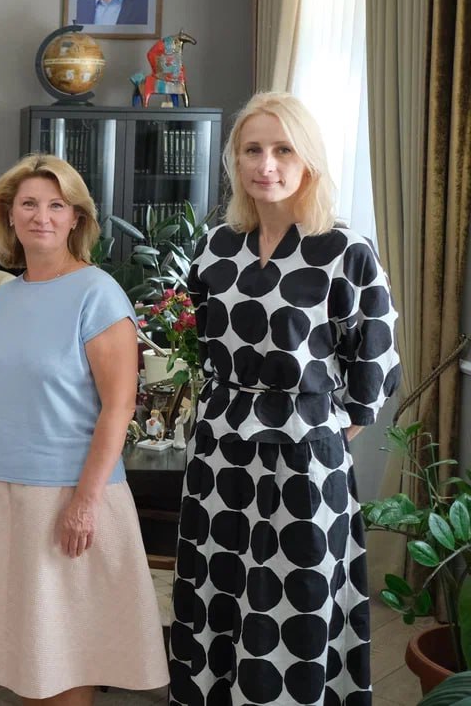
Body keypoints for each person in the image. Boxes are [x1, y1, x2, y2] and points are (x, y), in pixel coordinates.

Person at [168, 92, 401, 705]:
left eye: (283, 150)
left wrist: (324, 431)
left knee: (296, 592)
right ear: (235, 160)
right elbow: (204, 338)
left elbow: (374, 358)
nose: (265, 164)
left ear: (308, 160)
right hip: (220, 448)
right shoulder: (217, 247)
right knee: (216, 587)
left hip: (305, 453)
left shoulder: (344, 250)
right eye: (252, 150)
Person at [0, 154, 169, 705]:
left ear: (76, 218)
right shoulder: (8, 295)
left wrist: (85, 504)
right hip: (3, 491)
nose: (41, 216)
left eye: (56, 205)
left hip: (71, 497)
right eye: (28, 204)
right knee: (29, 657)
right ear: (9, 214)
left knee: (69, 655)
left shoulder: (99, 293)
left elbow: (118, 408)